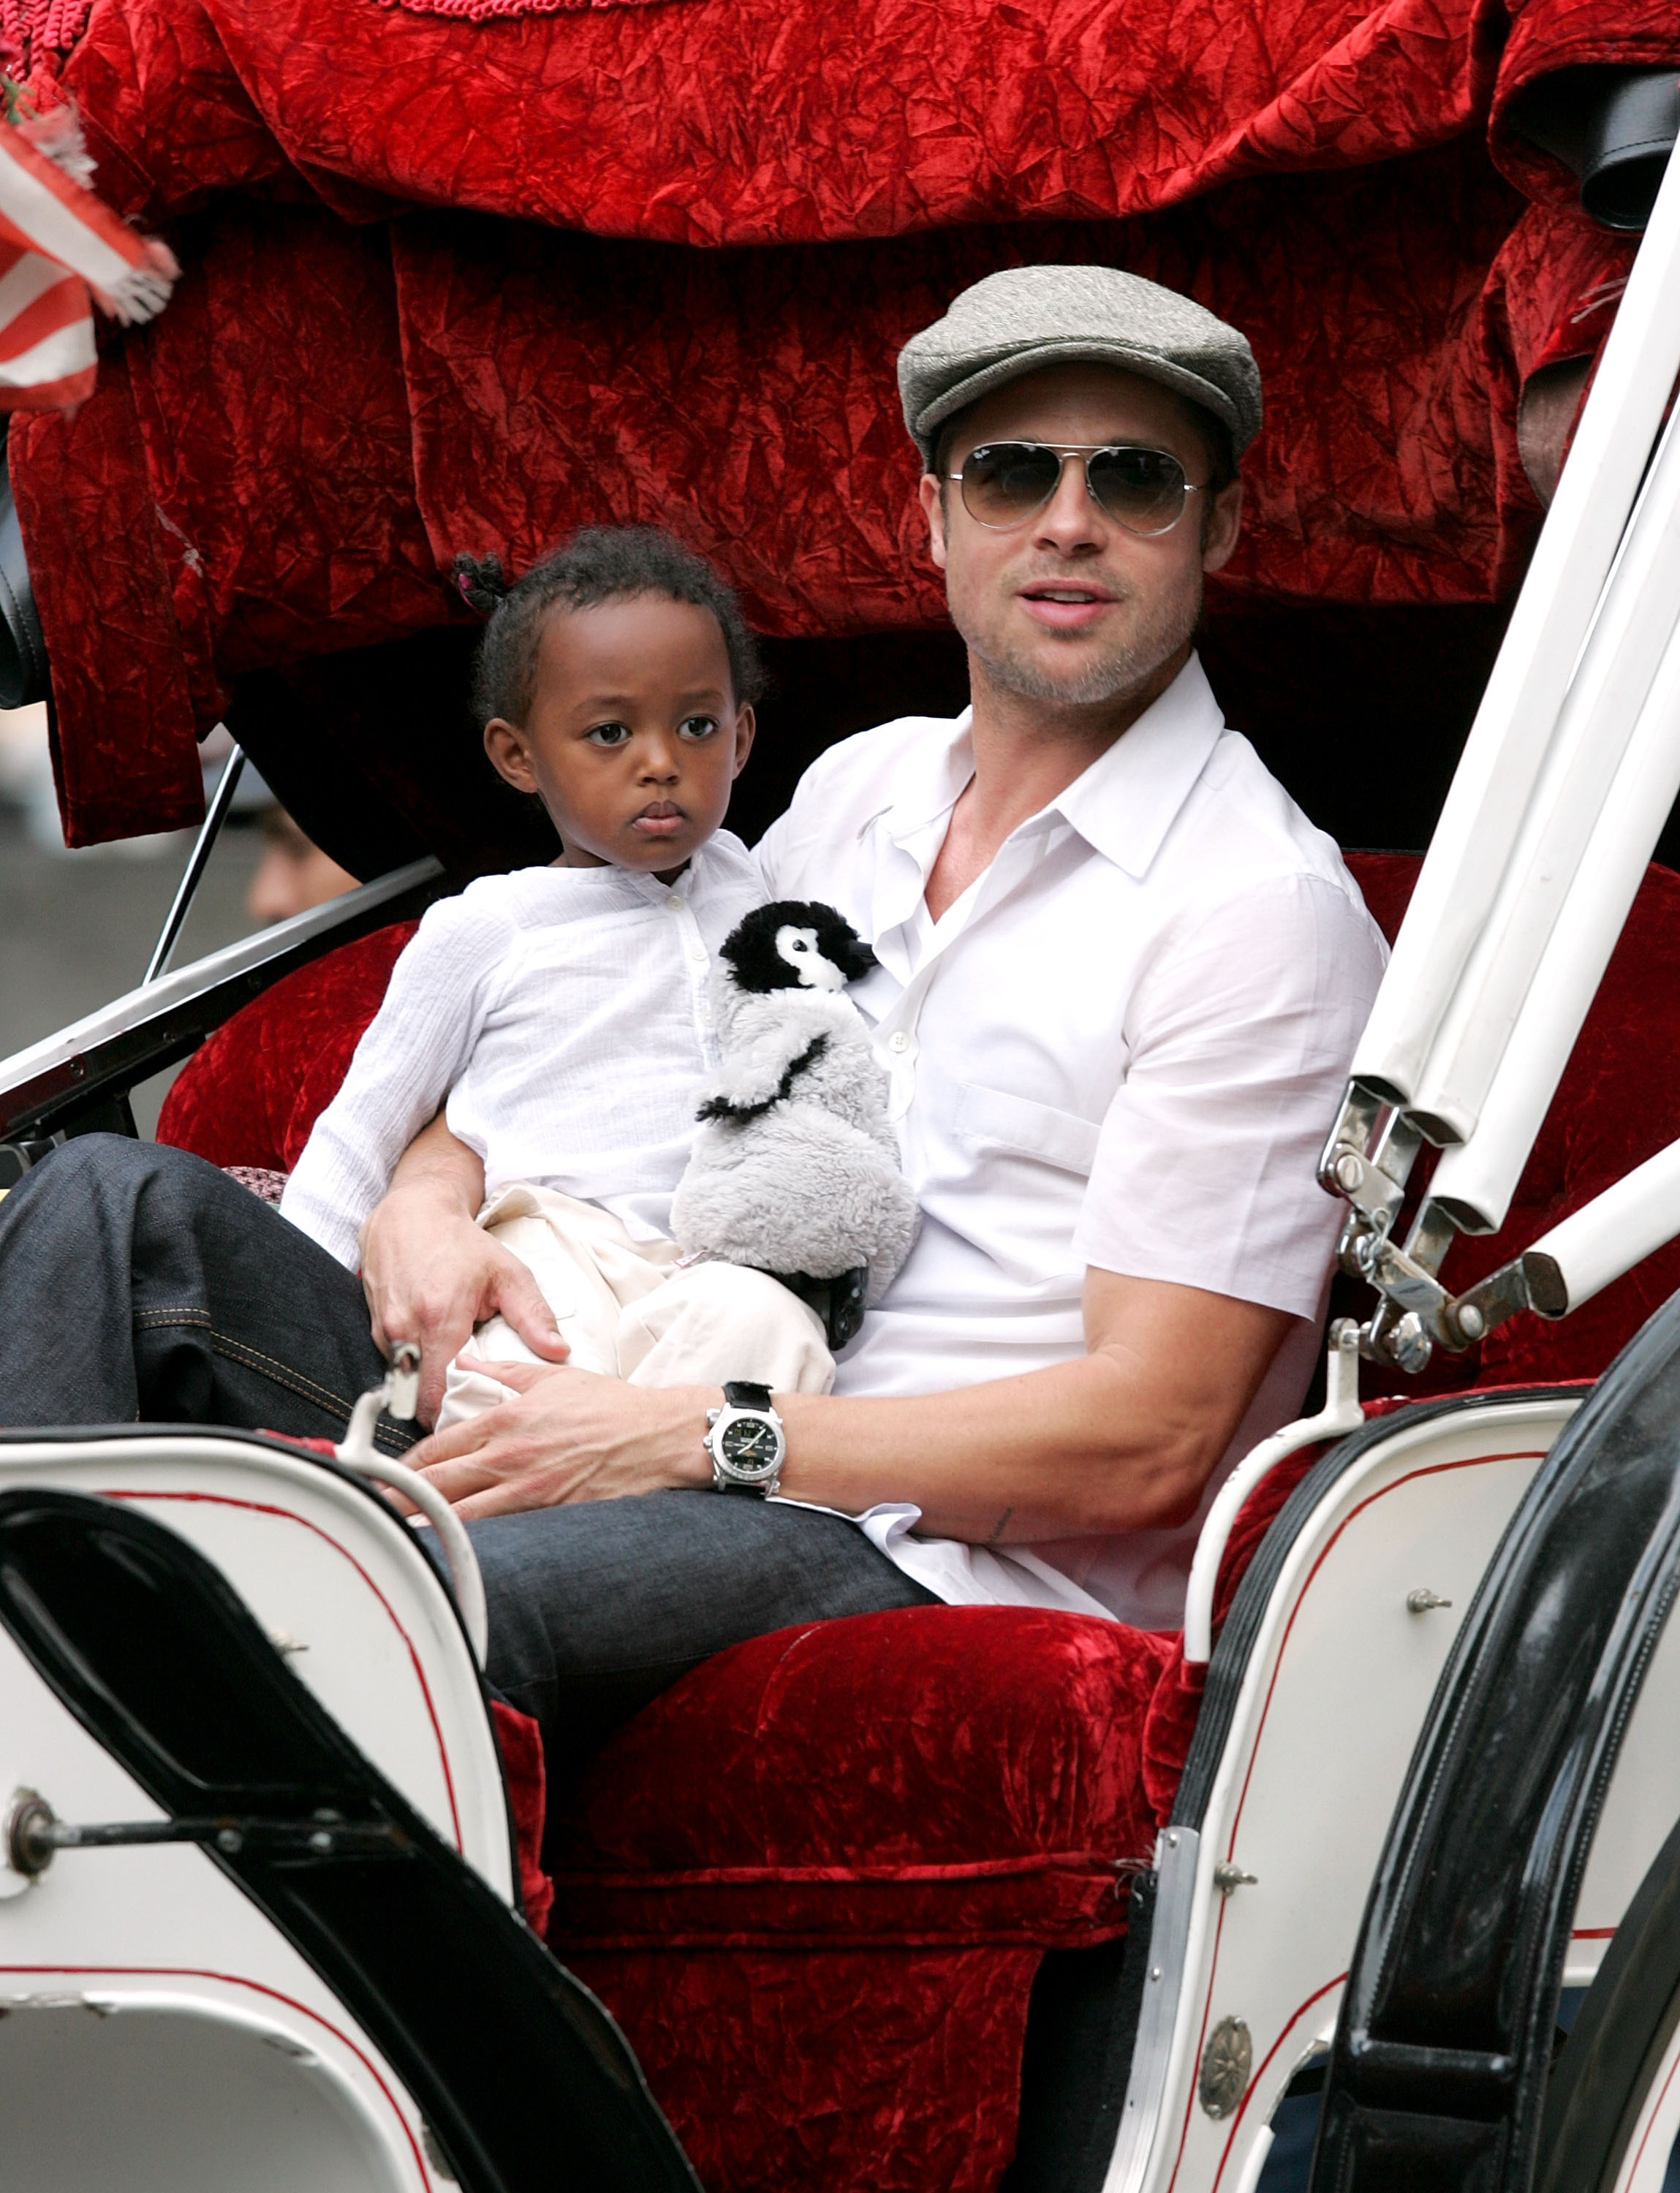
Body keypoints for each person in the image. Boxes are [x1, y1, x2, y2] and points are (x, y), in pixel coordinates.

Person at [0, 264, 1385, 1770]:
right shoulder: (857, 791)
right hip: (620, 1347)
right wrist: (430, 1189)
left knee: (407, 1594)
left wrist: (686, 1436)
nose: (1067, 520)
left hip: (913, 1547)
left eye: (1134, 478)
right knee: (104, 1211)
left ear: (1220, 528)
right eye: (1008, 473)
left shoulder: (1259, 911)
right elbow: (630, 1016)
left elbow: (1152, 1443)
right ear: (934, 520)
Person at [281, 523, 838, 1428]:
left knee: (774, 1333)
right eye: (609, 732)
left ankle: (634, 1511)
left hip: (719, 1268)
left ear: (741, 738)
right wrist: (293, 1308)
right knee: (520, 1374)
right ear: (518, 756)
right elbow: (363, 1128)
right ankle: (533, 1509)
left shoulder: (760, 884)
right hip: (553, 1249)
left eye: (696, 726)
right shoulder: (489, 927)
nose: (660, 761)